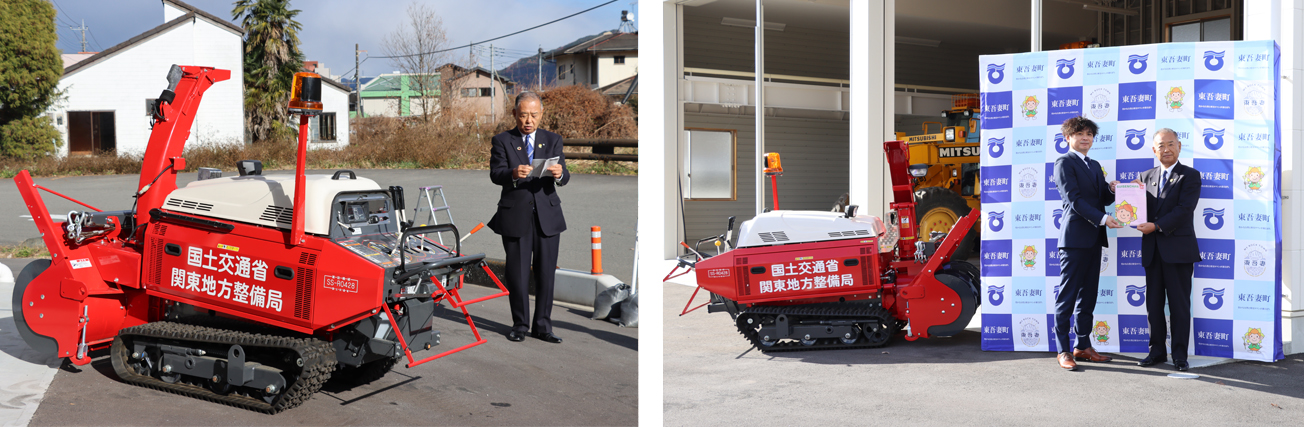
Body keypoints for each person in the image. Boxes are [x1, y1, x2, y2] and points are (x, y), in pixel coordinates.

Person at [487, 92, 570, 344]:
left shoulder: (553, 139)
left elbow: (565, 177)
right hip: (516, 216)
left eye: (534, 115)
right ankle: (520, 325)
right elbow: (495, 173)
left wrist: (559, 174)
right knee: (518, 275)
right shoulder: (503, 140)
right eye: (523, 115)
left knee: (546, 274)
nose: (528, 120)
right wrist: (513, 172)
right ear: (514, 114)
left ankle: (543, 326)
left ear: (541, 114)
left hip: (548, 216)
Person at [1052, 116, 1123, 371]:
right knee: (1067, 296)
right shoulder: (1063, 163)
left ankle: (1082, 345)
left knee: (1088, 296)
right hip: (1074, 241)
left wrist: (1112, 189)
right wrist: (1104, 219)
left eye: (1089, 134)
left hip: (1093, 239)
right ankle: (1062, 349)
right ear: (1068, 138)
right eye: (1079, 134)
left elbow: (1100, 196)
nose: (1085, 138)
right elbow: (1075, 200)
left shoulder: (1093, 165)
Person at [1133, 128, 1202, 371]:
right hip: (1152, 251)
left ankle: (1180, 355)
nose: (1166, 149)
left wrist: (1157, 226)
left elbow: (1185, 210)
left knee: (1179, 305)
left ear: (1179, 146)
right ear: (1154, 150)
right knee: (1153, 305)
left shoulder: (1190, 175)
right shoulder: (1144, 177)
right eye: (1161, 145)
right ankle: (1157, 352)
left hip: (1178, 251)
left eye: (1170, 144)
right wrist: (1120, 192)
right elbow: (1133, 207)